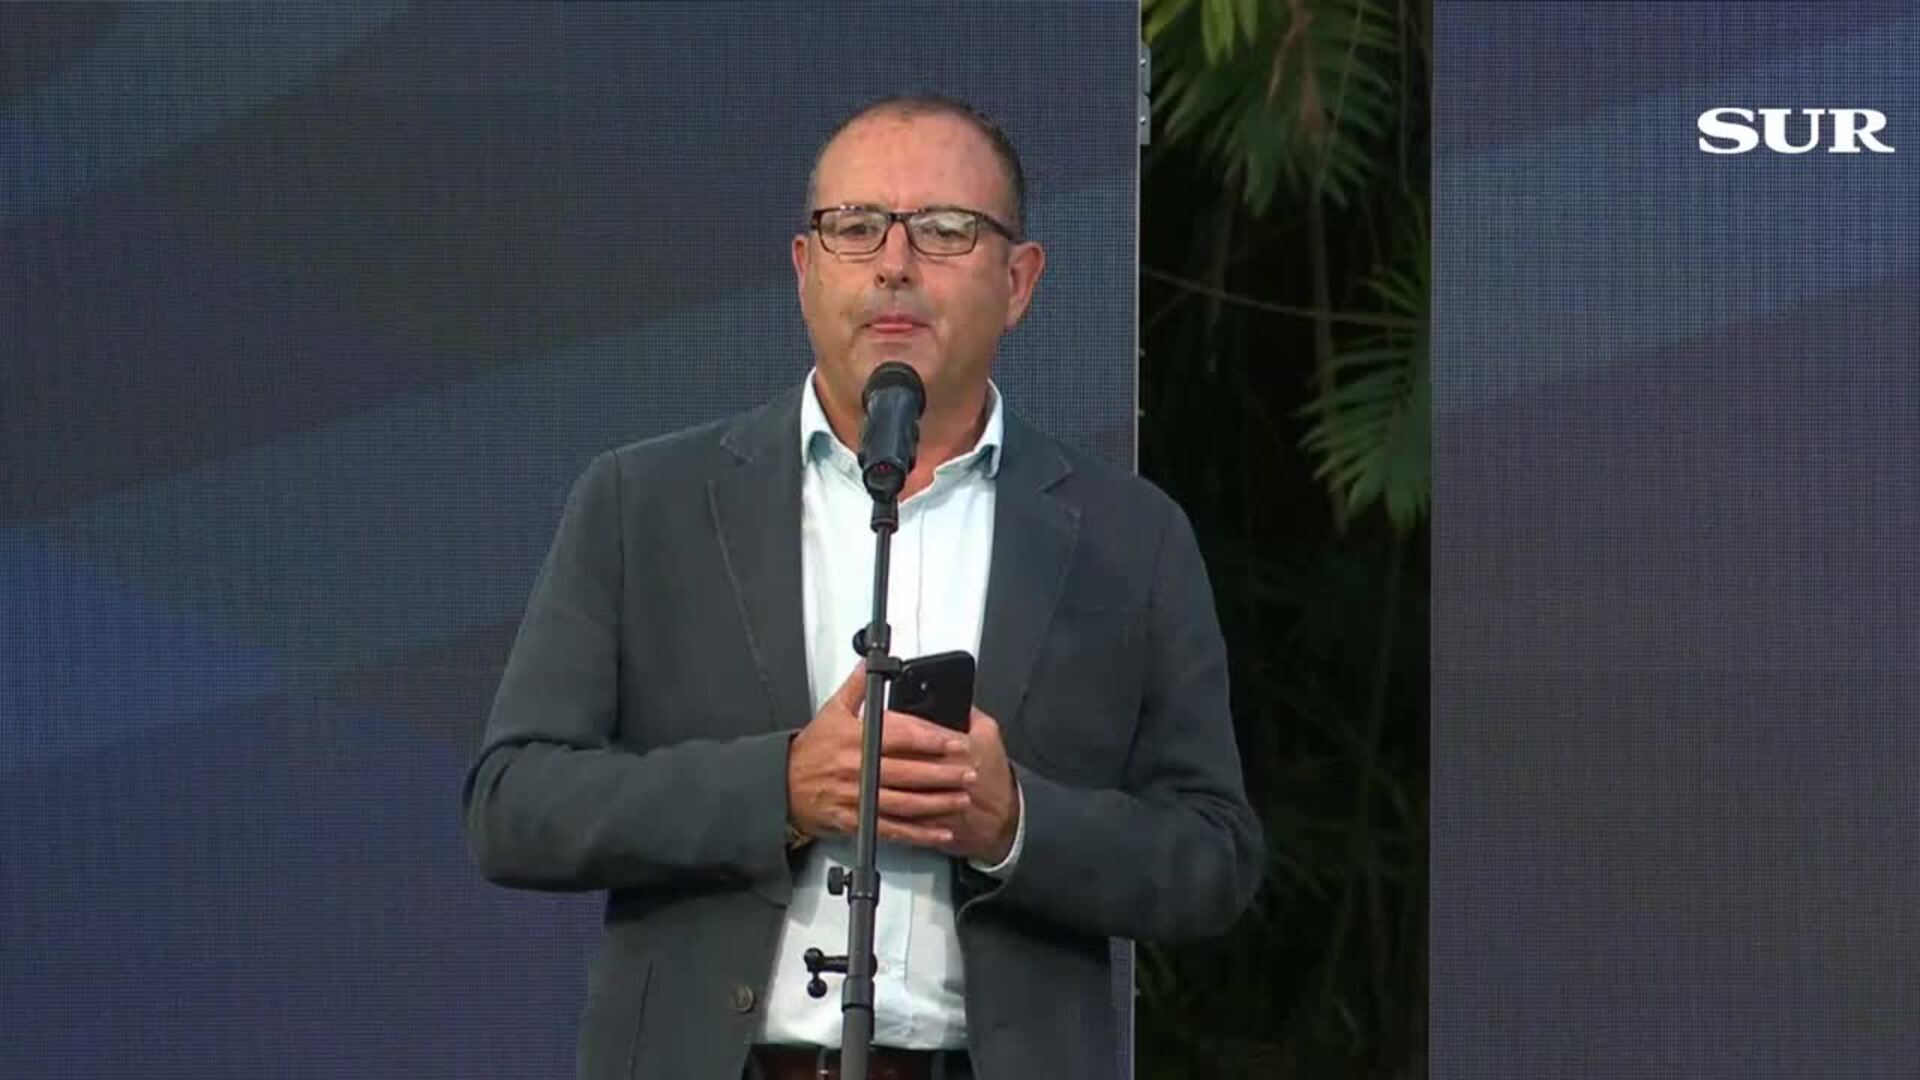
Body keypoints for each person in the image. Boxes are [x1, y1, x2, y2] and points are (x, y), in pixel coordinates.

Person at [462, 94, 1263, 1080]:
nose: (894, 263)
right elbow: (514, 805)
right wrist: (780, 789)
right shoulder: (643, 505)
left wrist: (1016, 826)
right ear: (806, 267)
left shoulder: (1129, 538)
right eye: (856, 227)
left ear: (1019, 281)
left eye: (945, 230)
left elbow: (1213, 856)